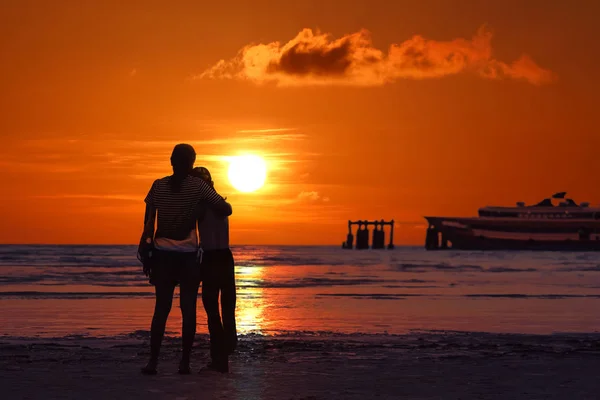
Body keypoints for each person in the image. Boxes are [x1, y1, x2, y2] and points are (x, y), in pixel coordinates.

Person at [139, 144, 232, 375]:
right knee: (188, 310)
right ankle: (185, 364)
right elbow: (224, 207)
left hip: (162, 255)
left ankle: (153, 363)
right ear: (192, 162)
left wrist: (147, 250)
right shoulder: (199, 186)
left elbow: (148, 223)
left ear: (171, 160)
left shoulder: (158, 186)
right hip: (188, 257)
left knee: (161, 309)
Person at [190, 166, 237, 373]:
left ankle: (221, 356)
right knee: (225, 308)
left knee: (214, 309)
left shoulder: (207, 205)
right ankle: (223, 355)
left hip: (213, 258)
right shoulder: (218, 202)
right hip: (223, 257)